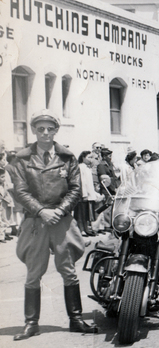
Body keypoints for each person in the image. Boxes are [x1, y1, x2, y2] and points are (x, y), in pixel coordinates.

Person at [6, 109, 98, 340]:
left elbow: (75, 189)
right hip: (35, 222)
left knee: (68, 271)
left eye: (50, 128)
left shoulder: (68, 158)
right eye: (40, 129)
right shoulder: (22, 158)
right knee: (33, 272)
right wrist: (41, 211)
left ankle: (76, 319)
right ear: (34, 131)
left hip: (61, 220)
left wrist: (59, 210)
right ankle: (31, 324)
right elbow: (20, 190)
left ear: (56, 130)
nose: (45, 133)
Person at [75, 151, 101, 237]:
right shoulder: (81, 167)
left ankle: (86, 229)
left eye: (92, 157)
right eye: (89, 157)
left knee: (86, 213)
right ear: (83, 158)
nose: (91, 159)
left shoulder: (87, 168)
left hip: (89, 194)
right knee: (80, 213)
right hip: (83, 194)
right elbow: (82, 181)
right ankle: (81, 229)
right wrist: (84, 194)